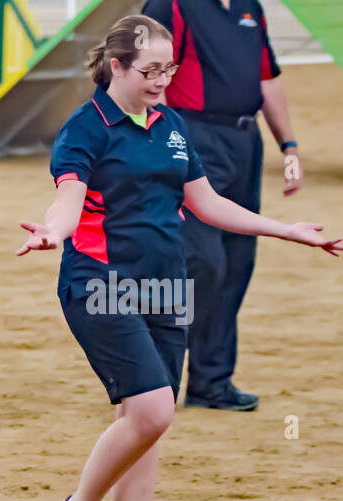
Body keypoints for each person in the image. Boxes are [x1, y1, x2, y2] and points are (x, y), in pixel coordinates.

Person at [16, 14, 338, 501]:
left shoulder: (171, 125)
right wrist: (52, 233)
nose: (163, 79)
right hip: (102, 284)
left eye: (169, 68)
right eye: (150, 70)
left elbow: (207, 201)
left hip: (167, 286)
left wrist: (289, 230)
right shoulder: (84, 129)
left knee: (146, 427)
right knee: (154, 411)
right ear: (116, 66)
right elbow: (66, 198)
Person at [140, 0, 301, 411]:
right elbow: (138, 67)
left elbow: (268, 79)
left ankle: (212, 382)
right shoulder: (170, 4)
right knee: (202, 261)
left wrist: (289, 146)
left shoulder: (251, 7)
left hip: (246, 142)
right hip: (190, 135)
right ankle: (153, 376)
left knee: (236, 262)